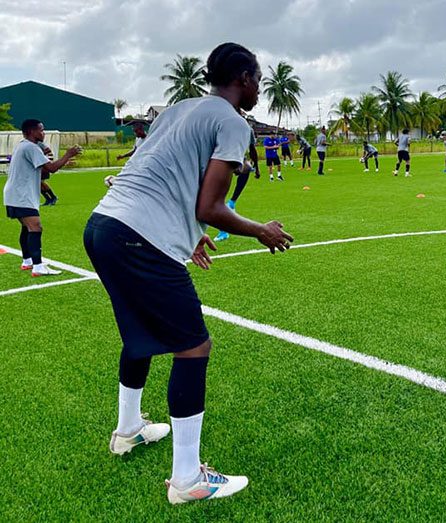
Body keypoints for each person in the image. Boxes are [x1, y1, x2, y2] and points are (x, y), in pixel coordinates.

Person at [83, 42, 293, 505]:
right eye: (257, 78)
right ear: (243, 78)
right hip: (139, 236)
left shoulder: (179, 110)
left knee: (139, 334)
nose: (258, 87)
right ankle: (187, 479)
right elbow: (210, 205)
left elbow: (162, 176)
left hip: (103, 227)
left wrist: (190, 232)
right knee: (194, 346)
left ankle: (130, 429)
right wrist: (262, 230)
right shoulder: (232, 122)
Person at [3, 119, 81, 276]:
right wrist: (67, 155)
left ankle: (27, 261)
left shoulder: (22, 145)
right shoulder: (31, 147)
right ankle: (38, 267)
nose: (43, 133)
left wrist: (62, 162)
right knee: (35, 227)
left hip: (14, 194)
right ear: (32, 132)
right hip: (21, 195)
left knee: (27, 227)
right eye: (41, 130)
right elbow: (51, 169)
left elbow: (43, 172)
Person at [214, 120, 260, 242]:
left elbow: (252, 149)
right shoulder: (220, 124)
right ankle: (223, 229)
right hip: (219, 161)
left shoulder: (247, 128)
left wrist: (257, 168)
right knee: (216, 200)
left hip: (237, 160)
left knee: (247, 167)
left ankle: (232, 202)